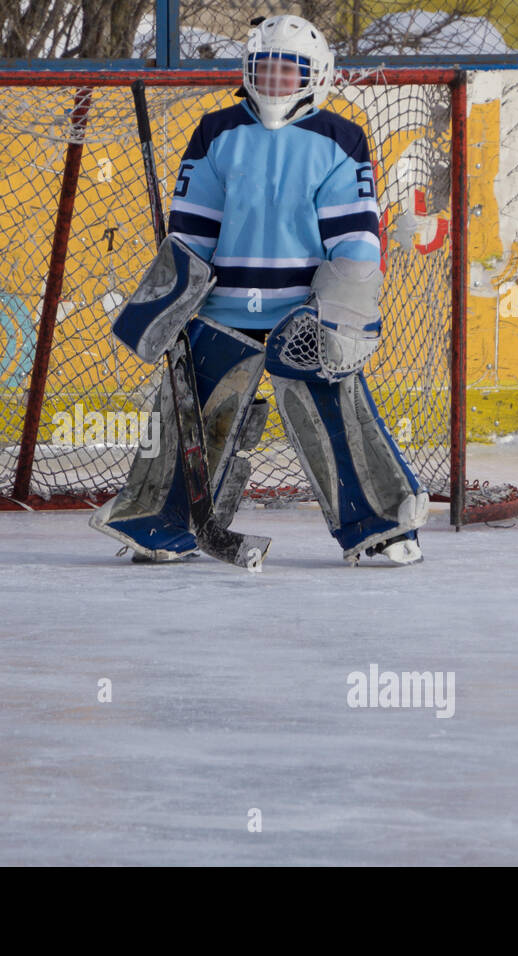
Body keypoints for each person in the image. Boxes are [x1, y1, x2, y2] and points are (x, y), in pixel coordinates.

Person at [91, 13, 429, 567]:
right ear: (247, 72)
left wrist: (341, 315)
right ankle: (163, 524)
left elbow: (356, 243)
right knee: (189, 420)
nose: (275, 82)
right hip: (222, 309)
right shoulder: (216, 131)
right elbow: (192, 232)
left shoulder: (340, 139)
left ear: (316, 76)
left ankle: (383, 525)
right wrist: (169, 303)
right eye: (264, 69)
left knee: (338, 417)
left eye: (288, 71)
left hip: (303, 316)